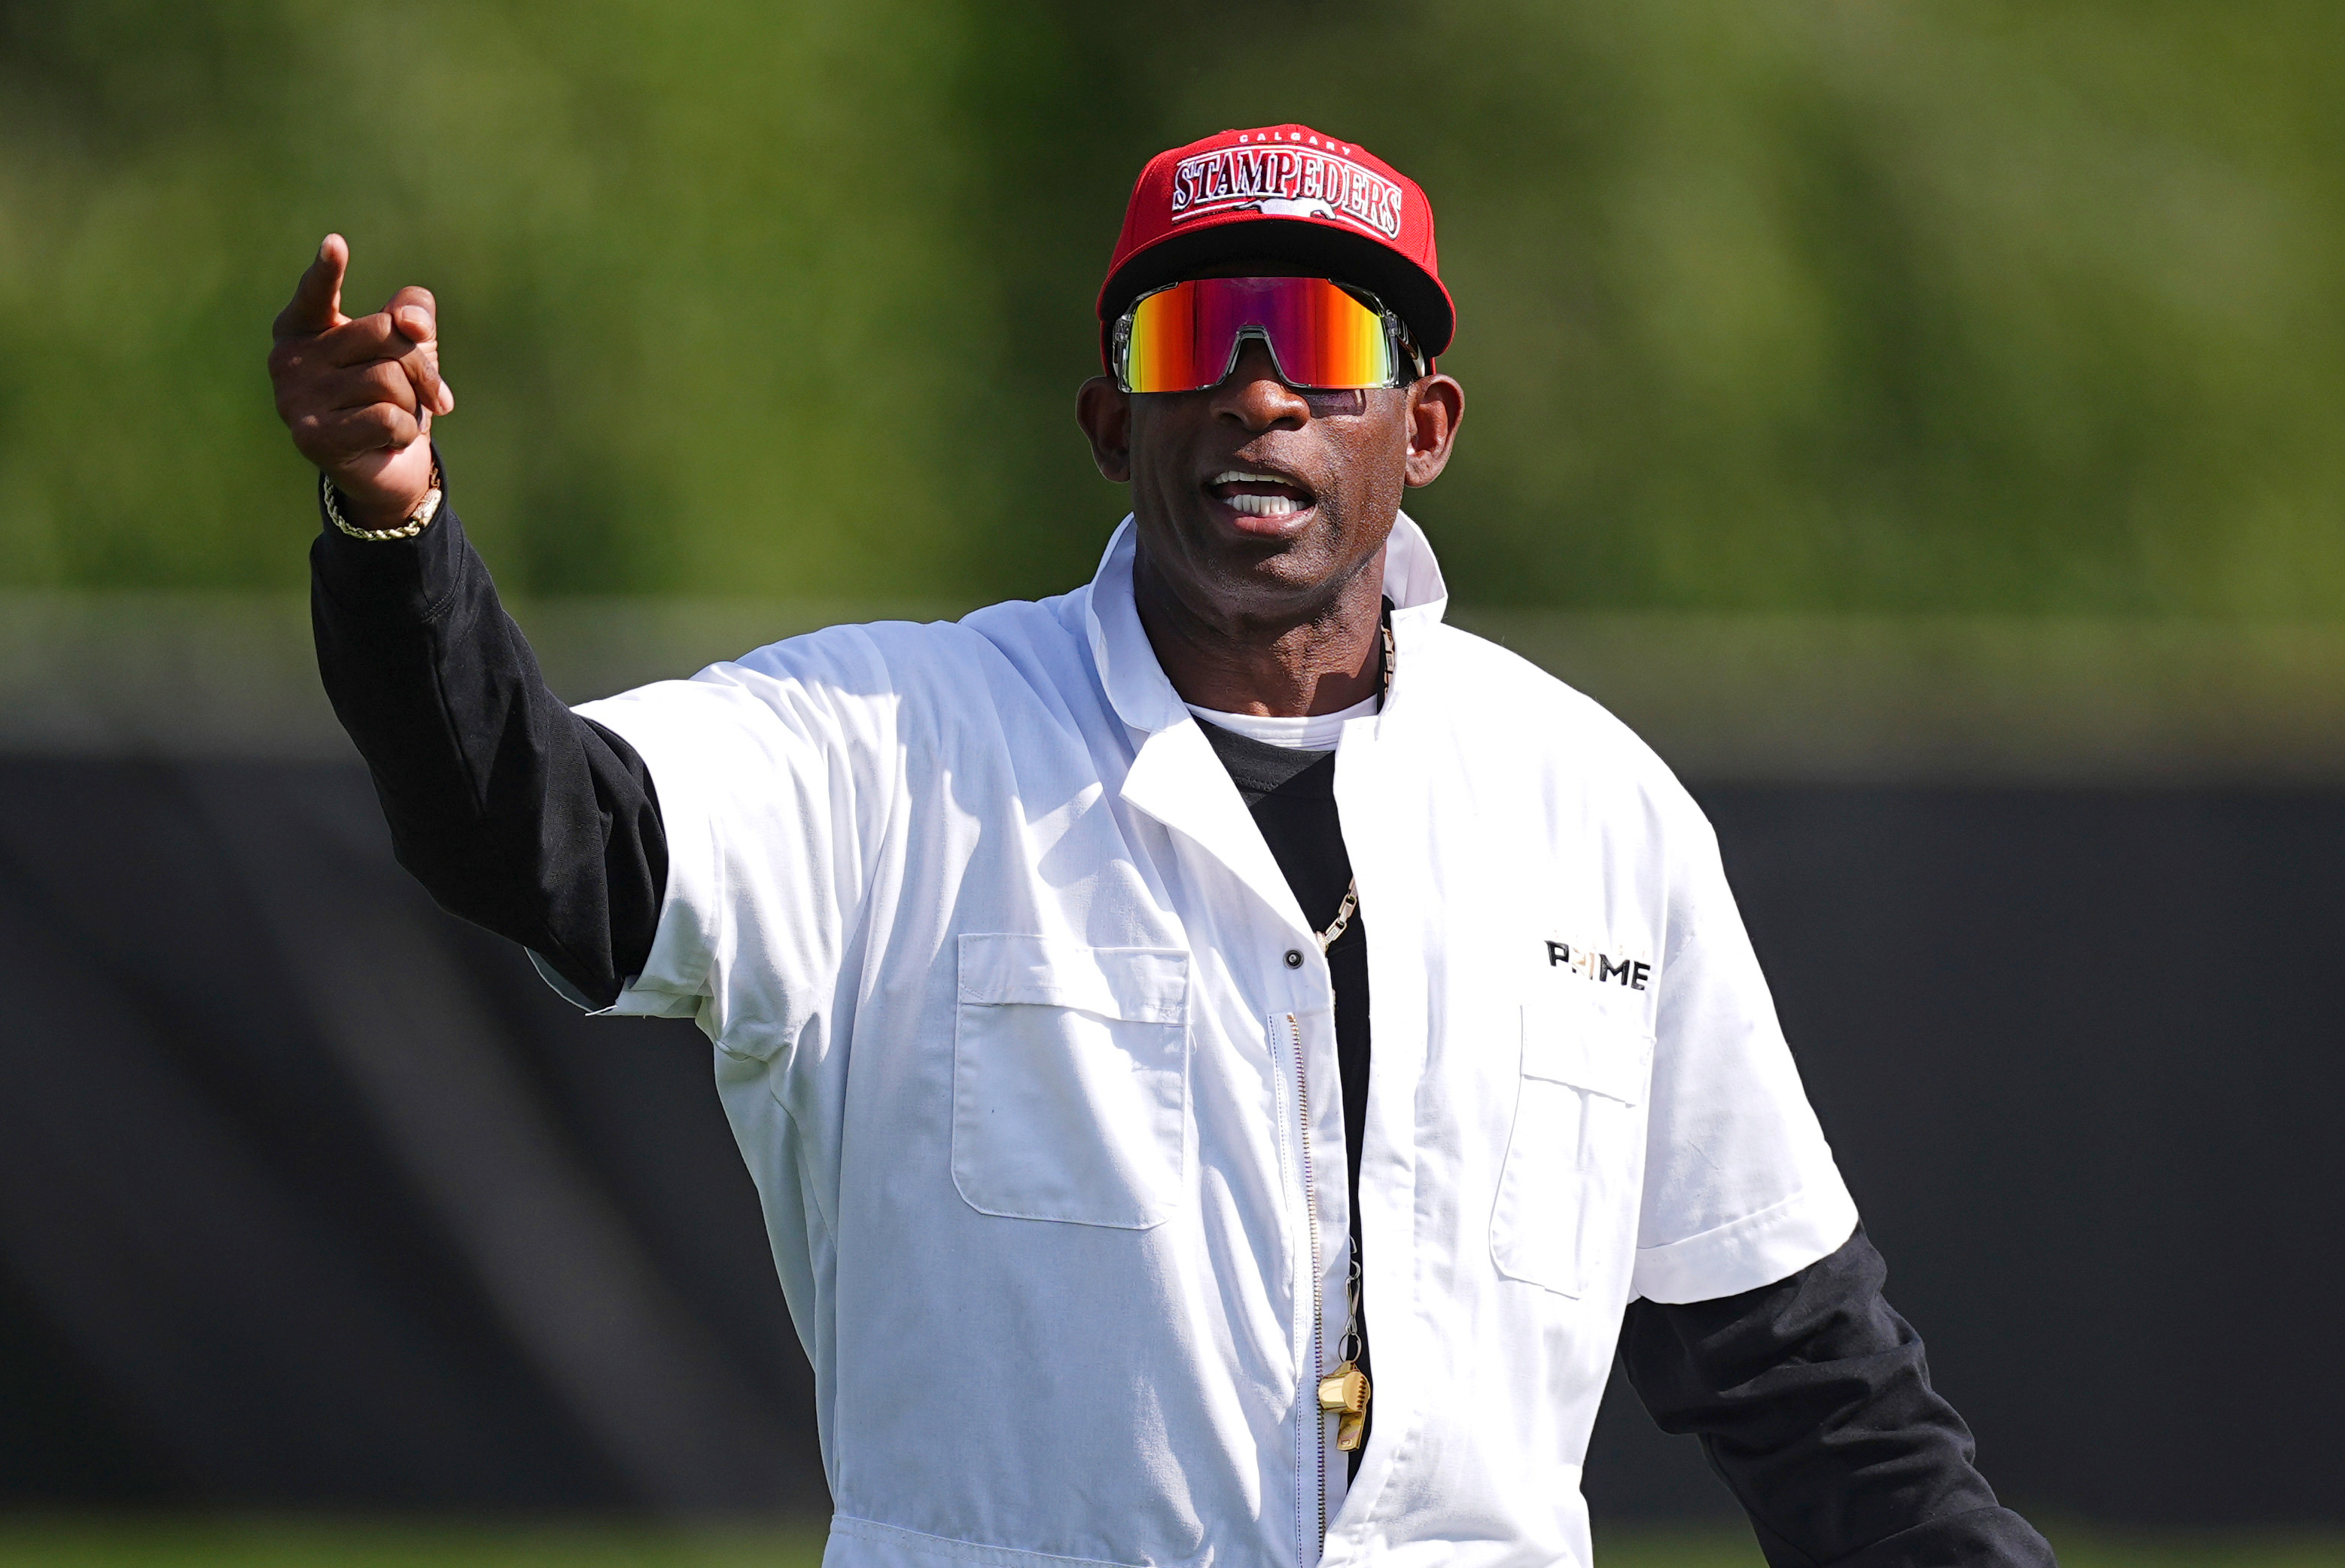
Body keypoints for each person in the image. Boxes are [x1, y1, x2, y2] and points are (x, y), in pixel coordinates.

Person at [267, 124, 2055, 1568]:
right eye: (1198, 336)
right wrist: (390, 526)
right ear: (1112, 418)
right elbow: (529, 830)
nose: (1261, 392)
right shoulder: (893, 748)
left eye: (1330, 340)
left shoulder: (1594, 807)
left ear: (1420, 428)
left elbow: (1804, 1380)